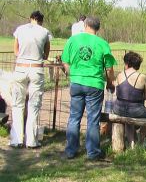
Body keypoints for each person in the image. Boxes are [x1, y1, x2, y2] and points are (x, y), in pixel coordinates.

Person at [61, 16, 116, 160]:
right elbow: (109, 69)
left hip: (77, 83)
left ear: (85, 25)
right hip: (94, 84)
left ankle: (70, 151)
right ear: (98, 28)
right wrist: (110, 82)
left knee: (74, 117)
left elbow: (65, 61)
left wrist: (72, 74)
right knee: (93, 119)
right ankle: (92, 152)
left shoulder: (73, 40)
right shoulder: (102, 43)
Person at [9, 10, 52, 149]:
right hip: (36, 69)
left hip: (20, 68)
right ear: (41, 20)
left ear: (30, 18)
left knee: (17, 104)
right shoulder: (45, 32)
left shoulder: (20, 30)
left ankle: (16, 139)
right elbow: (46, 54)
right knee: (34, 105)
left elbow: (15, 51)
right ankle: (31, 140)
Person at [113, 51, 146, 146]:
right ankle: (141, 141)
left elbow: (117, 92)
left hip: (118, 108)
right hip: (135, 109)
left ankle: (132, 144)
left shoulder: (119, 75)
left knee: (128, 121)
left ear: (127, 63)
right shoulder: (142, 77)